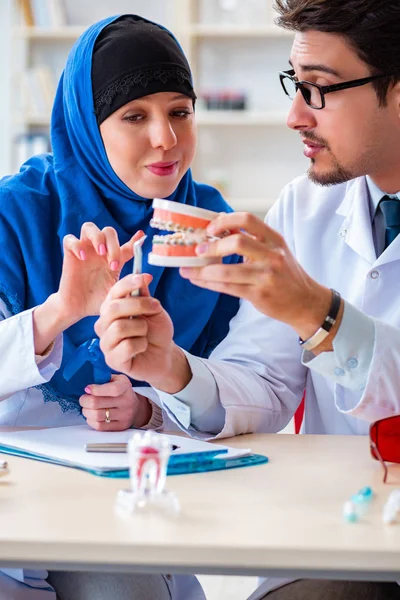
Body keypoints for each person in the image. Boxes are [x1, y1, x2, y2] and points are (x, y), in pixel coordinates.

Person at [96, 1, 400, 599]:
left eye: (319, 90)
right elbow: (264, 383)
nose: (293, 116)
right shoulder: (305, 205)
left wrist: (321, 314)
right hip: (338, 536)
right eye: (295, 85)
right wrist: (171, 368)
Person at [0, 13, 241, 600]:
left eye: (180, 111)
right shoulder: (15, 215)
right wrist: (59, 311)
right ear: (88, 125)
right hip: (16, 497)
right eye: (135, 116)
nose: (166, 139)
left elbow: (250, 393)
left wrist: (147, 409)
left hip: (125, 502)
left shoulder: (210, 227)